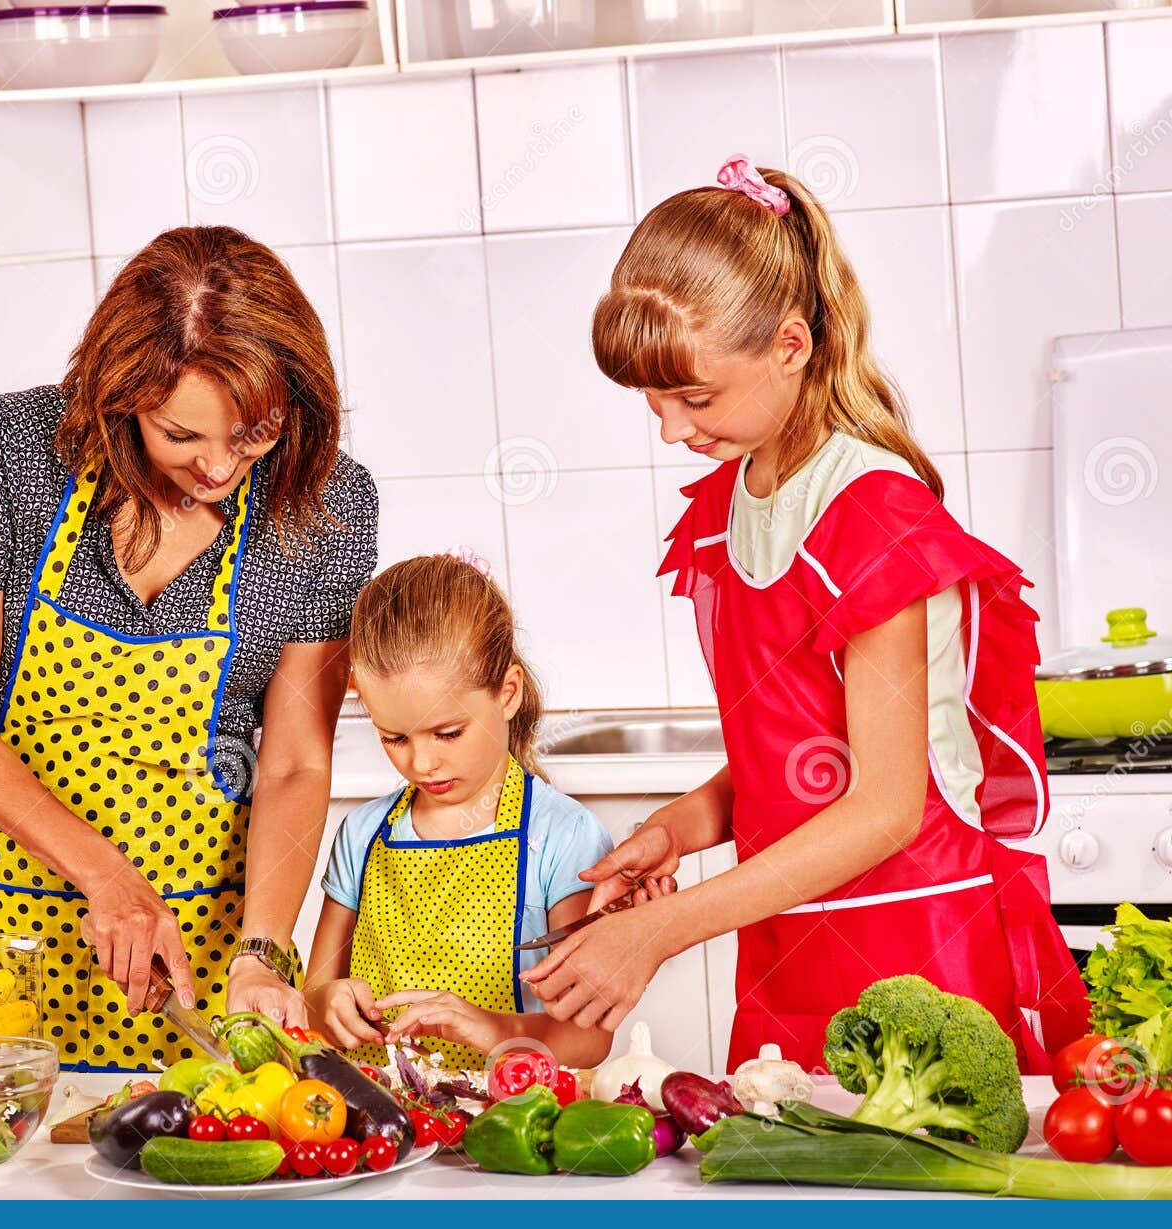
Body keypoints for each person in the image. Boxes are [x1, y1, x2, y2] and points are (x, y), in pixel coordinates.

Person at [522, 156, 1088, 1073]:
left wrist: (663, 929)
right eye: (652, 402)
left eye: (694, 396)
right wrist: (683, 824)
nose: (671, 428)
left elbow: (884, 807)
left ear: (791, 345)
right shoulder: (731, 505)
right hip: (788, 945)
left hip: (916, 944)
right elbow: (797, 756)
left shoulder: (872, 514)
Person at [0, 226, 378, 1073]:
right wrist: (109, 881)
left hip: (193, 953)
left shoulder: (325, 504)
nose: (221, 466)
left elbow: (296, 761)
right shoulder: (9, 454)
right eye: (181, 435)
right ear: (122, 396)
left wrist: (263, 952)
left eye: (253, 433)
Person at [305, 551, 617, 1071]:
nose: (422, 762)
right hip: (387, 1122)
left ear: (508, 693)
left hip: (508, 1120)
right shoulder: (362, 834)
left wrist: (495, 1029)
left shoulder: (564, 837)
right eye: (394, 738)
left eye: (448, 733)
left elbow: (588, 1039)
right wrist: (327, 1005)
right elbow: (315, 997)